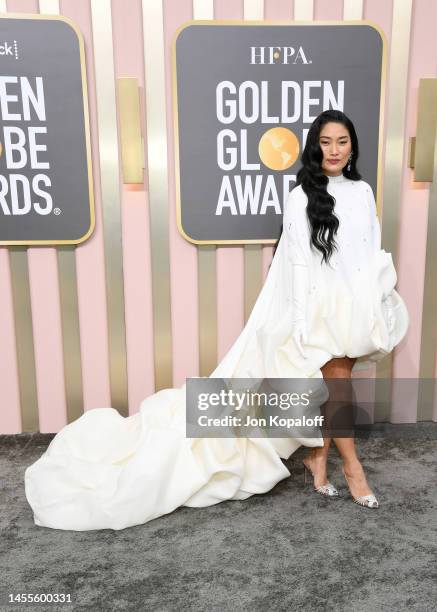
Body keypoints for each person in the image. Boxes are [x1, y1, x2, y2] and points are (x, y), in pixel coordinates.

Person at [24, 110, 409, 531]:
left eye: (342, 141)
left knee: (332, 386)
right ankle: (353, 469)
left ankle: (318, 459)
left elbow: (371, 250)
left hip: (354, 305)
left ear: (353, 146)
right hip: (315, 306)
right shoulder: (301, 195)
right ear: (314, 147)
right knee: (337, 385)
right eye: (326, 142)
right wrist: (300, 325)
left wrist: (376, 302)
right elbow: (298, 263)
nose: (334, 150)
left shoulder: (363, 190)